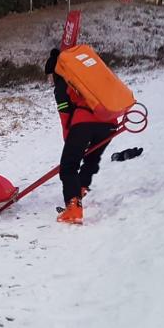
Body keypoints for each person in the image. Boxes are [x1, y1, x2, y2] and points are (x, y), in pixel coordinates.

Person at [45, 48, 118, 224]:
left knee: (68, 166)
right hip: (109, 121)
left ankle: (73, 207)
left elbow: (65, 115)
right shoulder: (82, 78)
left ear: (54, 73)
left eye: (48, 76)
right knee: (92, 157)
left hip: (84, 123)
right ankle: (82, 187)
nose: (48, 80)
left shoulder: (62, 84)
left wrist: (69, 140)